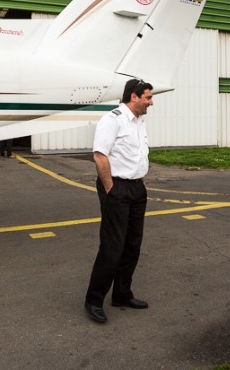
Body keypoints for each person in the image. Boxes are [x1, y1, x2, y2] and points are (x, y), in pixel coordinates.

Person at [84, 78, 153, 323]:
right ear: (133, 97)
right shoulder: (112, 119)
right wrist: (111, 189)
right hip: (117, 188)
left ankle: (122, 294)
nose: (151, 102)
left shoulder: (139, 121)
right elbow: (100, 156)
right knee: (112, 247)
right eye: (147, 97)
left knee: (132, 245)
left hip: (137, 189)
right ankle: (94, 300)